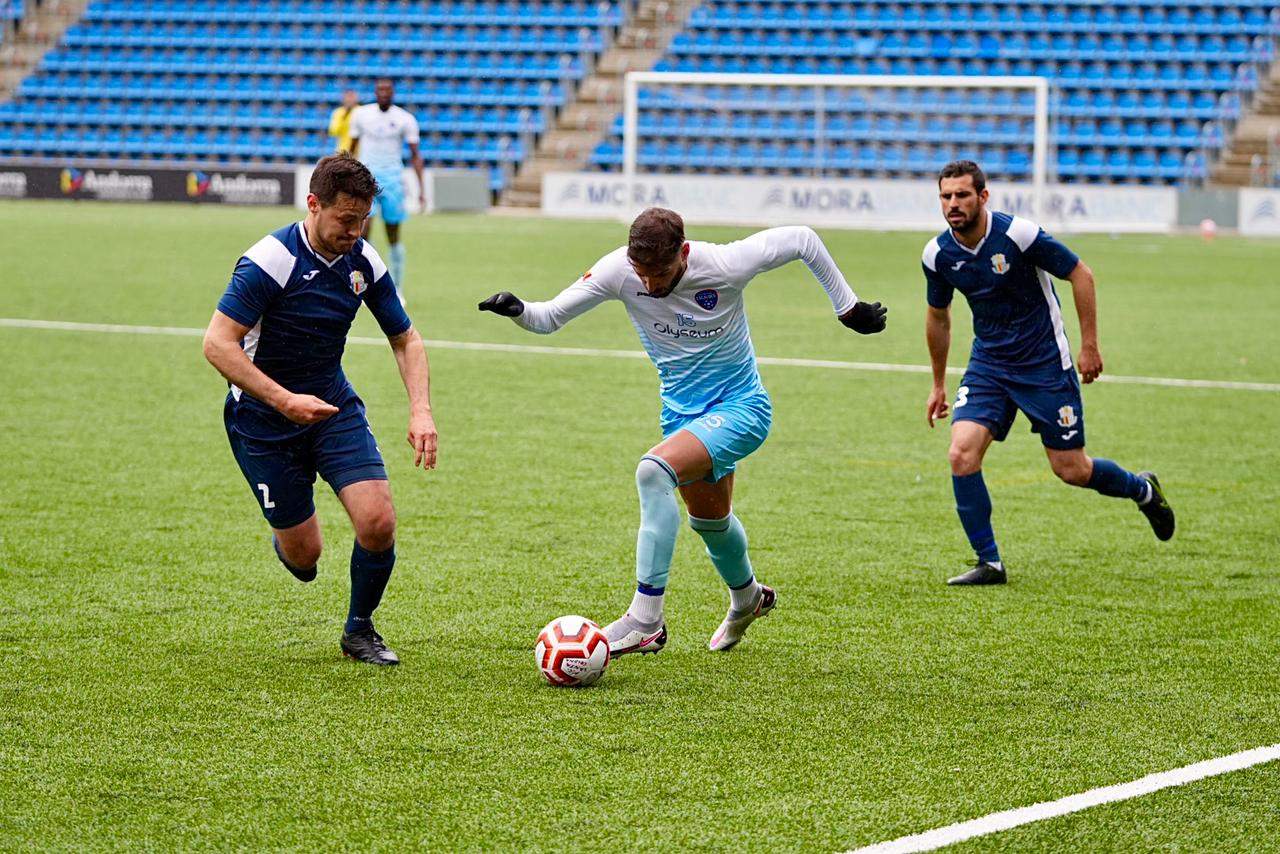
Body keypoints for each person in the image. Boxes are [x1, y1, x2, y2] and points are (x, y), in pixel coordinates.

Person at [479, 208, 887, 654]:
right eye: (642, 274)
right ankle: (748, 597)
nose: (650, 285)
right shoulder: (618, 269)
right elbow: (549, 317)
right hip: (682, 418)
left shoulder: (725, 263)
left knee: (652, 472)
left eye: (661, 273)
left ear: (684, 253)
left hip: (742, 408)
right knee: (711, 523)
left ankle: (645, 620)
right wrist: (518, 310)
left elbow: (803, 239)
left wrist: (847, 306)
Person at [202, 153, 438, 665]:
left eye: (363, 221)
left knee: (377, 521)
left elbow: (406, 339)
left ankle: (359, 630)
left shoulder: (364, 262)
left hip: (331, 407)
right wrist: (284, 400)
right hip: (262, 420)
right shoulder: (270, 261)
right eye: (345, 220)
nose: (355, 232)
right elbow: (218, 344)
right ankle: (288, 535)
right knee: (305, 559)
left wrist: (420, 409)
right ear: (313, 205)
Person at [922, 160, 1174, 586]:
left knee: (1071, 469)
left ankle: (1142, 489)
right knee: (960, 453)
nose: (953, 204)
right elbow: (938, 316)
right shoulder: (938, 255)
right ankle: (990, 562)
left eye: (962, 195)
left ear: (983, 197)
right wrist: (937, 383)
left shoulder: (1019, 235)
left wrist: (1089, 344)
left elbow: (1081, 274)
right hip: (989, 366)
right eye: (946, 196)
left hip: (1043, 364)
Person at [349, 78, 425, 304]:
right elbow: (350, 149)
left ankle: (397, 289)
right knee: (362, 236)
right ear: (375, 92)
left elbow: (415, 155)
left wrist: (421, 189)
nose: (383, 93)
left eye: (387, 90)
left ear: (392, 93)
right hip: (366, 180)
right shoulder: (361, 115)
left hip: (392, 181)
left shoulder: (405, 119)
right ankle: (362, 287)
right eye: (380, 90)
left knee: (393, 236)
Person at [327, 88, 360, 153]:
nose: (349, 99)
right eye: (348, 97)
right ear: (343, 99)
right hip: (343, 150)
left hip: (359, 151)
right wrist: (344, 117)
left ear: (356, 98)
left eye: (352, 97)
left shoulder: (362, 111)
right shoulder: (338, 112)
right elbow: (333, 132)